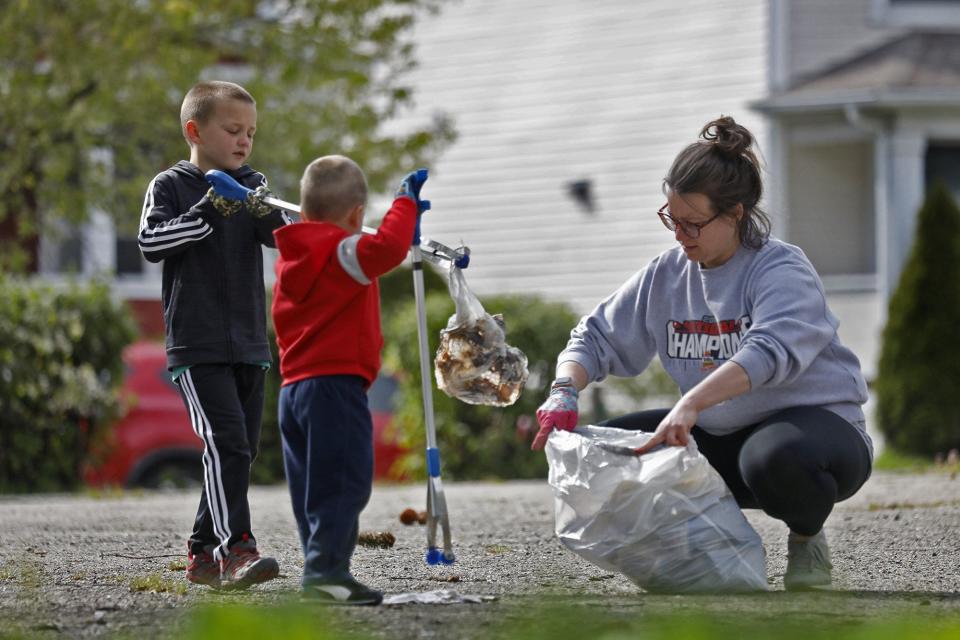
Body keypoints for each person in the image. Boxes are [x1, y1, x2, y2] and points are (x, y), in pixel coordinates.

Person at [532, 116, 872, 592]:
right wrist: (565, 389)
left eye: (693, 223)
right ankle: (701, 550)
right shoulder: (667, 274)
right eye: (671, 219)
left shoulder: (780, 268)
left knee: (773, 458)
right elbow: (595, 335)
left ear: (734, 213)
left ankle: (807, 535)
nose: (679, 235)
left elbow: (769, 351)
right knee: (609, 449)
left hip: (814, 434)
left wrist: (690, 403)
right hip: (717, 431)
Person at [138, 80, 293, 590]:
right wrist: (208, 207)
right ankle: (236, 551)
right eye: (232, 130)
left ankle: (202, 552)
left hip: (250, 342)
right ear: (194, 130)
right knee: (224, 441)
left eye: (250, 132)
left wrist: (261, 202)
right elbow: (151, 242)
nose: (244, 140)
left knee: (240, 450)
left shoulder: (252, 182)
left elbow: (281, 236)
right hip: (197, 344)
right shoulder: (171, 185)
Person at [271, 155, 426, 605]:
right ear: (357, 216)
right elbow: (390, 248)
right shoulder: (341, 251)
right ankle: (326, 571)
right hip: (335, 386)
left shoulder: (292, 260)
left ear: (303, 213)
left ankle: (319, 566)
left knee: (311, 489)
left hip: (294, 389)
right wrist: (405, 203)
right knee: (344, 482)